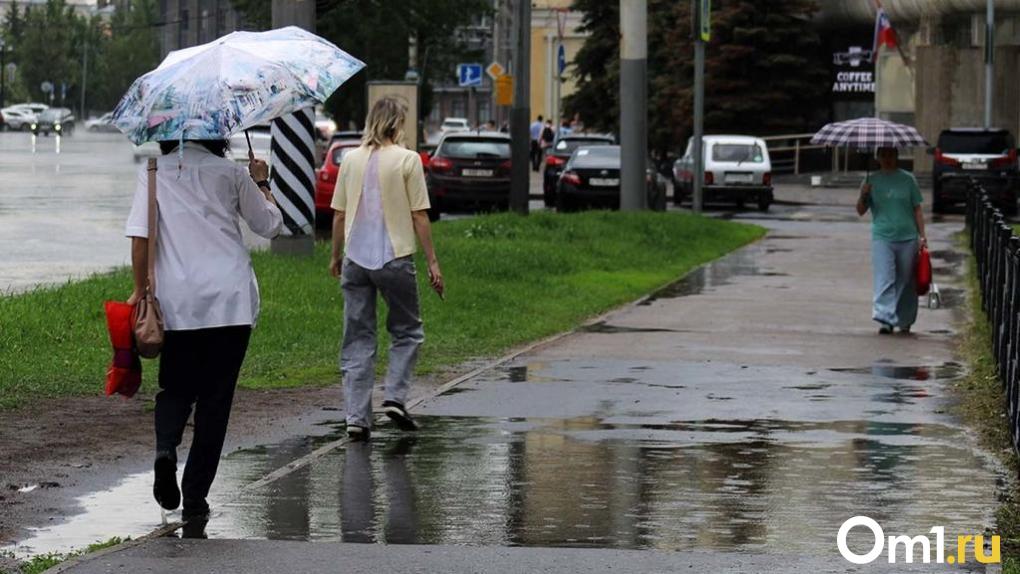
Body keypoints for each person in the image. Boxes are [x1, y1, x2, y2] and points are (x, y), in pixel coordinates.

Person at [125, 139, 283, 529]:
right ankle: (195, 498)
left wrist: (139, 289)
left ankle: (165, 450)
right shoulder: (230, 173)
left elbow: (140, 238)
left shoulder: (154, 173)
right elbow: (269, 225)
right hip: (229, 303)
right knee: (216, 401)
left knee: (175, 388)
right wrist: (261, 182)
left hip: (178, 303)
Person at [330, 96, 444, 442]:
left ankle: (356, 418)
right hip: (395, 258)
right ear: (397, 123)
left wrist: (335, 256)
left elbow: (338, 214)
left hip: (355, 258)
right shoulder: (408, 160)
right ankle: (394, 397)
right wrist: (433, 262)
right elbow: (419, 215)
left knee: (357, 338)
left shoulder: (350, 159)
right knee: (407, 330)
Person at [856, 147, 926, 335]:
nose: (887, 159)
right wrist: (864, 194)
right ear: (878, 158)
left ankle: (904, 320)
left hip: (907, 237)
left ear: (897, 157)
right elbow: (860, 210)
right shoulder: (871, 180)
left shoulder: (907, 179)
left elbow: (917, 209)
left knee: (905, 281)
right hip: (882, 237)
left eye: (891, 155)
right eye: (883, 155)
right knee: (885, 278)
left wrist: (922, 236)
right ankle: (885, 319)